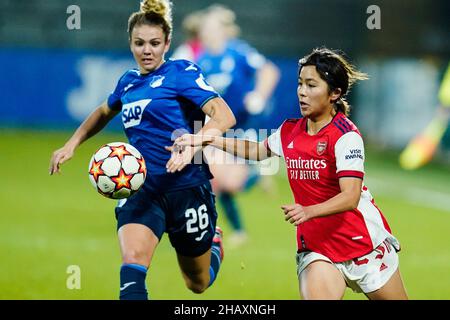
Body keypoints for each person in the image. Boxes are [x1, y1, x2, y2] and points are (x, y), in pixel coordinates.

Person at [171, 47, 408, 300]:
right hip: (318, 248)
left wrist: (309, 211)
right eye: (300, 84)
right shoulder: (290, 131)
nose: (302, 92)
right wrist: (207, 140)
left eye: (311, 85)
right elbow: (257, 150)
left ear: (335, 93)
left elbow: (350, 197)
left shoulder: (345, 136)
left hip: (362, 245)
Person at [49, 0, 236, 300]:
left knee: (197, 283)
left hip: (187, 188)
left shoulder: (182, 72)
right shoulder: (128, 82)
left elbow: (224, 116)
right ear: (131, 43)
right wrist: (72, 144)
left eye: (154, 43)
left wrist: (193, 144)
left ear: (167, 43)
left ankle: (214, 242)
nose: (146, 50)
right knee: (133, 262)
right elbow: (102, 111)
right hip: (142, 189)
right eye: (139, 43)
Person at [196, 4, 280, 245]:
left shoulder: (238, 52)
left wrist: (259, 96)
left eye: (211, 26)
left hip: (245, 125)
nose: (206, 31)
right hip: (219, 128)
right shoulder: (202, 60)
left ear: (223, 30)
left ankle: (257, 172)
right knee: (214, 181)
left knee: (229, 183)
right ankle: (231, 232)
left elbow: (269, 71)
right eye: (205, 27)